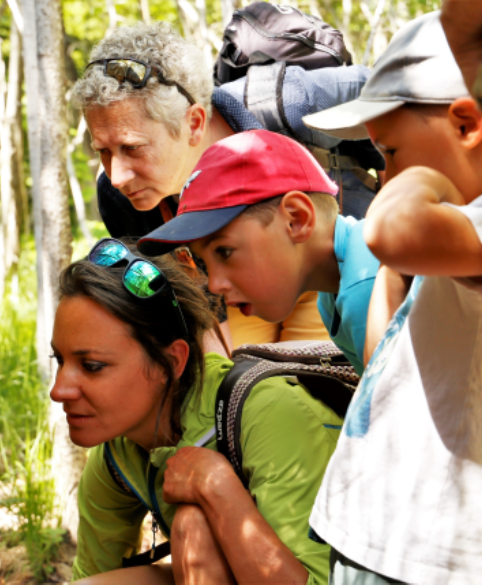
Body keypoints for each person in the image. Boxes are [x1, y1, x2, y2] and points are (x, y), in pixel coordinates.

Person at [298, 12, 482, 583]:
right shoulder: (452, 236)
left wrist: (424, 183)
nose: (383, 176)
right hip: (374, 530)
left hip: (425, 555)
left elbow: (389, 231)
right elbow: (384, 361)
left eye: (392, 153)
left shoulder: (462, 223)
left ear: (467, 125)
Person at [71, 21, 382, 348]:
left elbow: (415, 97)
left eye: (132, 148)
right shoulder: (120, 197)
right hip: (235, 286)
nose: (117, 176)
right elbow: (195, 305)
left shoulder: (288, 101)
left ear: (194, 123)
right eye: (103, 151)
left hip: (333, 265)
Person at [51, 238, 343, 584]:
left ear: (171, 362)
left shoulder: (270, 413)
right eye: (60, 360)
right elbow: (95, 572)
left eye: (93, 365)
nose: (59, 390)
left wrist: (218, 488)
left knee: (195, 526)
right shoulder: (118, 454)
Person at [137, 130, 378, 375]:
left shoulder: (366, 290)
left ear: (296, 219)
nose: (214, 285)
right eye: (202, 261)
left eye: (225, 251)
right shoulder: (335, 293)